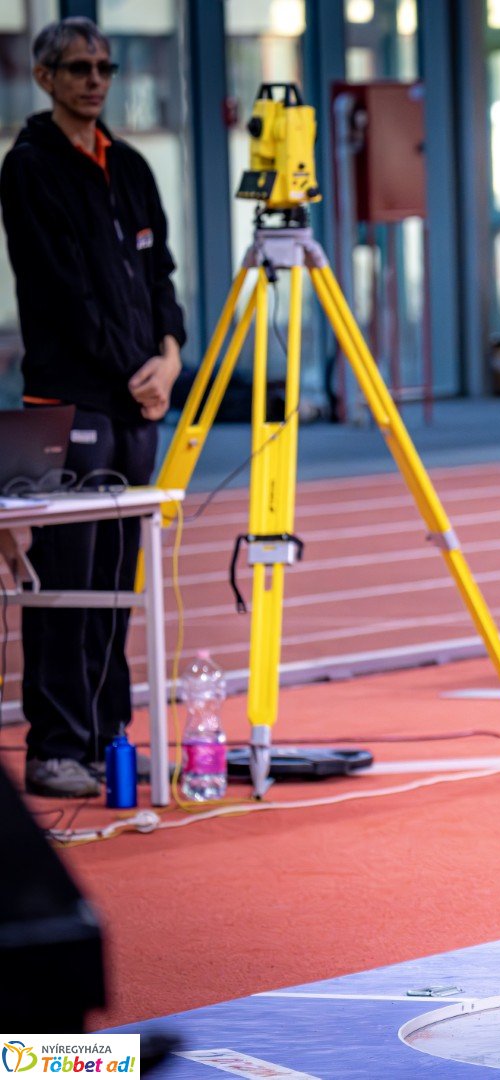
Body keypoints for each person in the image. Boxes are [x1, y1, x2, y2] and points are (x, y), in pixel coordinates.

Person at [1, 18, 186, 797]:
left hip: (136, 403)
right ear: (45, 76)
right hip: (72, 401)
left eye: (105, 67)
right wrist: (135, 372)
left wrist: (169, 359)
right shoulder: (29, 168)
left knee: (116, 584)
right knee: (64, 586)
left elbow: (160, 277)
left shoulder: (131, 166)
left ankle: (110, 740)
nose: (95, 80)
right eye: (79, 67)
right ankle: (55, 747)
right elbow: (65, 294)